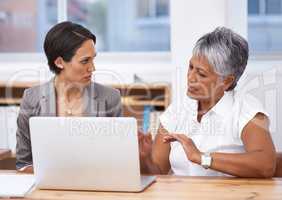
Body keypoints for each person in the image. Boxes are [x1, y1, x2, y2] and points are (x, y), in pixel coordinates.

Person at [139, 27, 277, 177]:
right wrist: (144, 158)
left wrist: (202, 157)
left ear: (226, 81)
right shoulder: (178, 109)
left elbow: (266, 165)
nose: (191, 78)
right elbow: (158, 171)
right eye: (191, 67)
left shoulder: (247, 110)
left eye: (201, 74)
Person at [16, 21, 122, 173]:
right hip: (48, 190)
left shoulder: (110, 98)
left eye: (93, 59)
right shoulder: (31, 98)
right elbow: (23, 163)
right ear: (59, 62)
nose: (93, 68)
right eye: (85, 61)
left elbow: (118, 159)